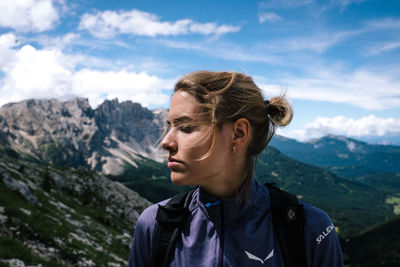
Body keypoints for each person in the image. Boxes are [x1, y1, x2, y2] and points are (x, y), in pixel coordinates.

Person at [128, 71, 344, 266]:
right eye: (170, 126)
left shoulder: (309, 228)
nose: (166, 141)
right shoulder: (155, 226)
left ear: (239, 133)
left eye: (185, 127)